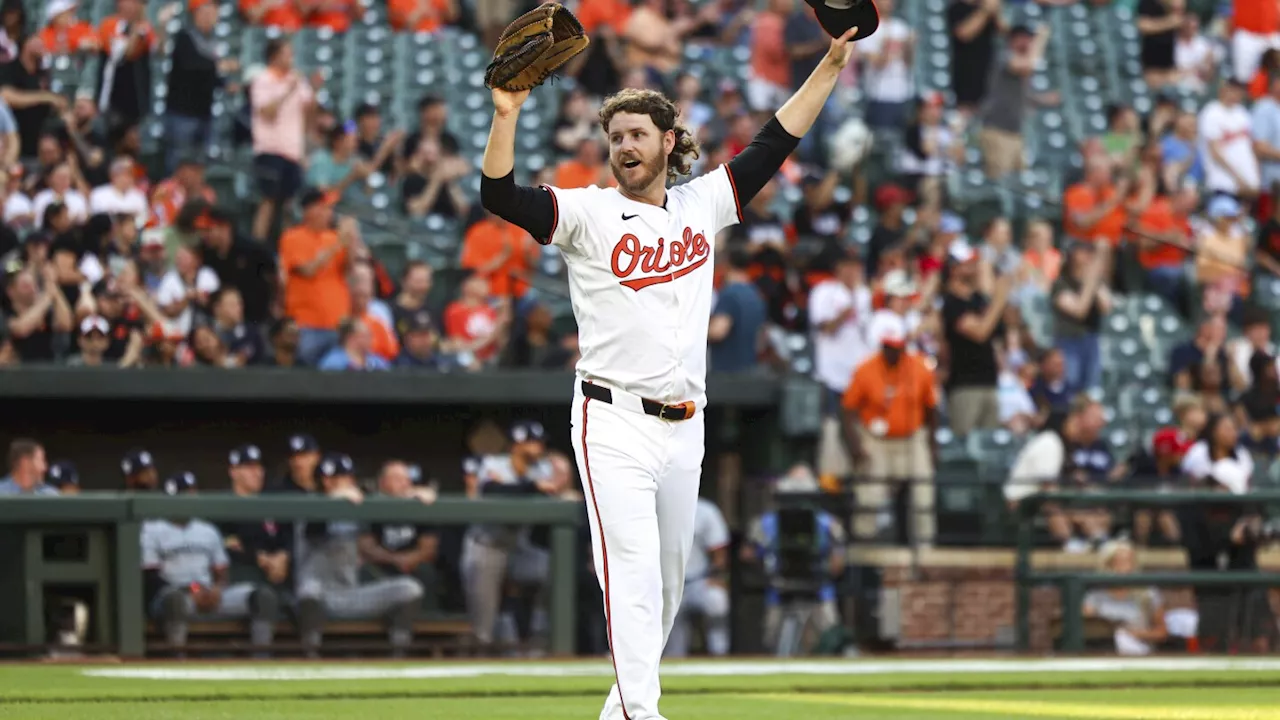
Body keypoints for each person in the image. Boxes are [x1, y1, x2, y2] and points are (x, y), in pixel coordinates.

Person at [478, 25, 862, 720]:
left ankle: (618, 709)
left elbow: (776, 141)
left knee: (668, 585)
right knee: (630, 577)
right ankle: (641, 714)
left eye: (637, 134)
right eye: (615, 135)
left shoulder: (700, 204)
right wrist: (506, 116)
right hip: (612, 418)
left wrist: (832, 64)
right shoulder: (589, 213)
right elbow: (500, 196)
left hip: (687, 424)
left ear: (667, 141)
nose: (624, 145)